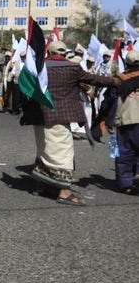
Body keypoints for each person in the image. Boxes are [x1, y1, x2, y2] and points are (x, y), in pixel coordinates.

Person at [28, 40, 120, 206]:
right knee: (63, 154)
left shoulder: (38, 67)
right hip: (60, 118)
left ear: (49, 52)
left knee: (44, 150)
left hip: (39, 117)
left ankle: (41, 185)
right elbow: (93, 79)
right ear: (64, 54)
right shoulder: (72, 67)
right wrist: (113, 81)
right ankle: (64, 192)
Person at [107, 50, 139, 195]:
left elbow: (111, 102)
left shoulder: (119, 80)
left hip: (126, 121)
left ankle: (126, 184)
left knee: (125, 154)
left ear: (126, 63)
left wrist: (110, 122)